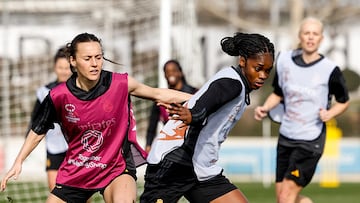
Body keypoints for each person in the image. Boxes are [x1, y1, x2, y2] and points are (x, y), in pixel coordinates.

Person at [1, 32, 192, 203]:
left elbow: (158, 93)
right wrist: (18, 162)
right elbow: (37, 130)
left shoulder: (119, 83)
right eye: (88, 58)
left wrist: (202, 98)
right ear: (73, 61)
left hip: (116, 167)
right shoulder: (58, 96)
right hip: (78, 169)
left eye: (98, 57)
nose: (95, 63)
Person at [140, 32, 275, 203]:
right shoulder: (232, 83)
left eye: (267, 70)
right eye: (258, 68)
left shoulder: (235, 81)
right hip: (173, 164)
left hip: (200, 169)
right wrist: (193, 114)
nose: (263, 75)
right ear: (243, 61)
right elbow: (209, 100)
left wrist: (193, 112)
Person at [254, 17, 350, 203]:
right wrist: (265, 107)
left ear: (321, 38)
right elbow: (278, 93)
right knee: (284, 197)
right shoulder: (284, 61)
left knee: (286, 197)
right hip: (286, 136)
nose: (311, 37)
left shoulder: (330, 70)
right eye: (307, 33)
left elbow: (343, 101)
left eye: (315, 34)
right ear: (300, 36)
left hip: (310, 140)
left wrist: (330, 113)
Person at [28, 46, 71, 191]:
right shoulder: (44, 92)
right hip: (54, 146)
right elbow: (36, 118)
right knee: (55, 191)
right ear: (54, 67)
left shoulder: (79, 90)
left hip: (76, 147)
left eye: (67, 67)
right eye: (60, 67)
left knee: (81, 195)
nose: (64, 71)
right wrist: (28, 139)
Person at [145, 59, 197, 152]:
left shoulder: (194, 93)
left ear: (180, 73)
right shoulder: (161, 97)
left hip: (191, 142)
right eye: (167, 72)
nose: (170, 74)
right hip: (170, 144)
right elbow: (152, 124)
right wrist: (148, 145)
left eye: (173, 71)